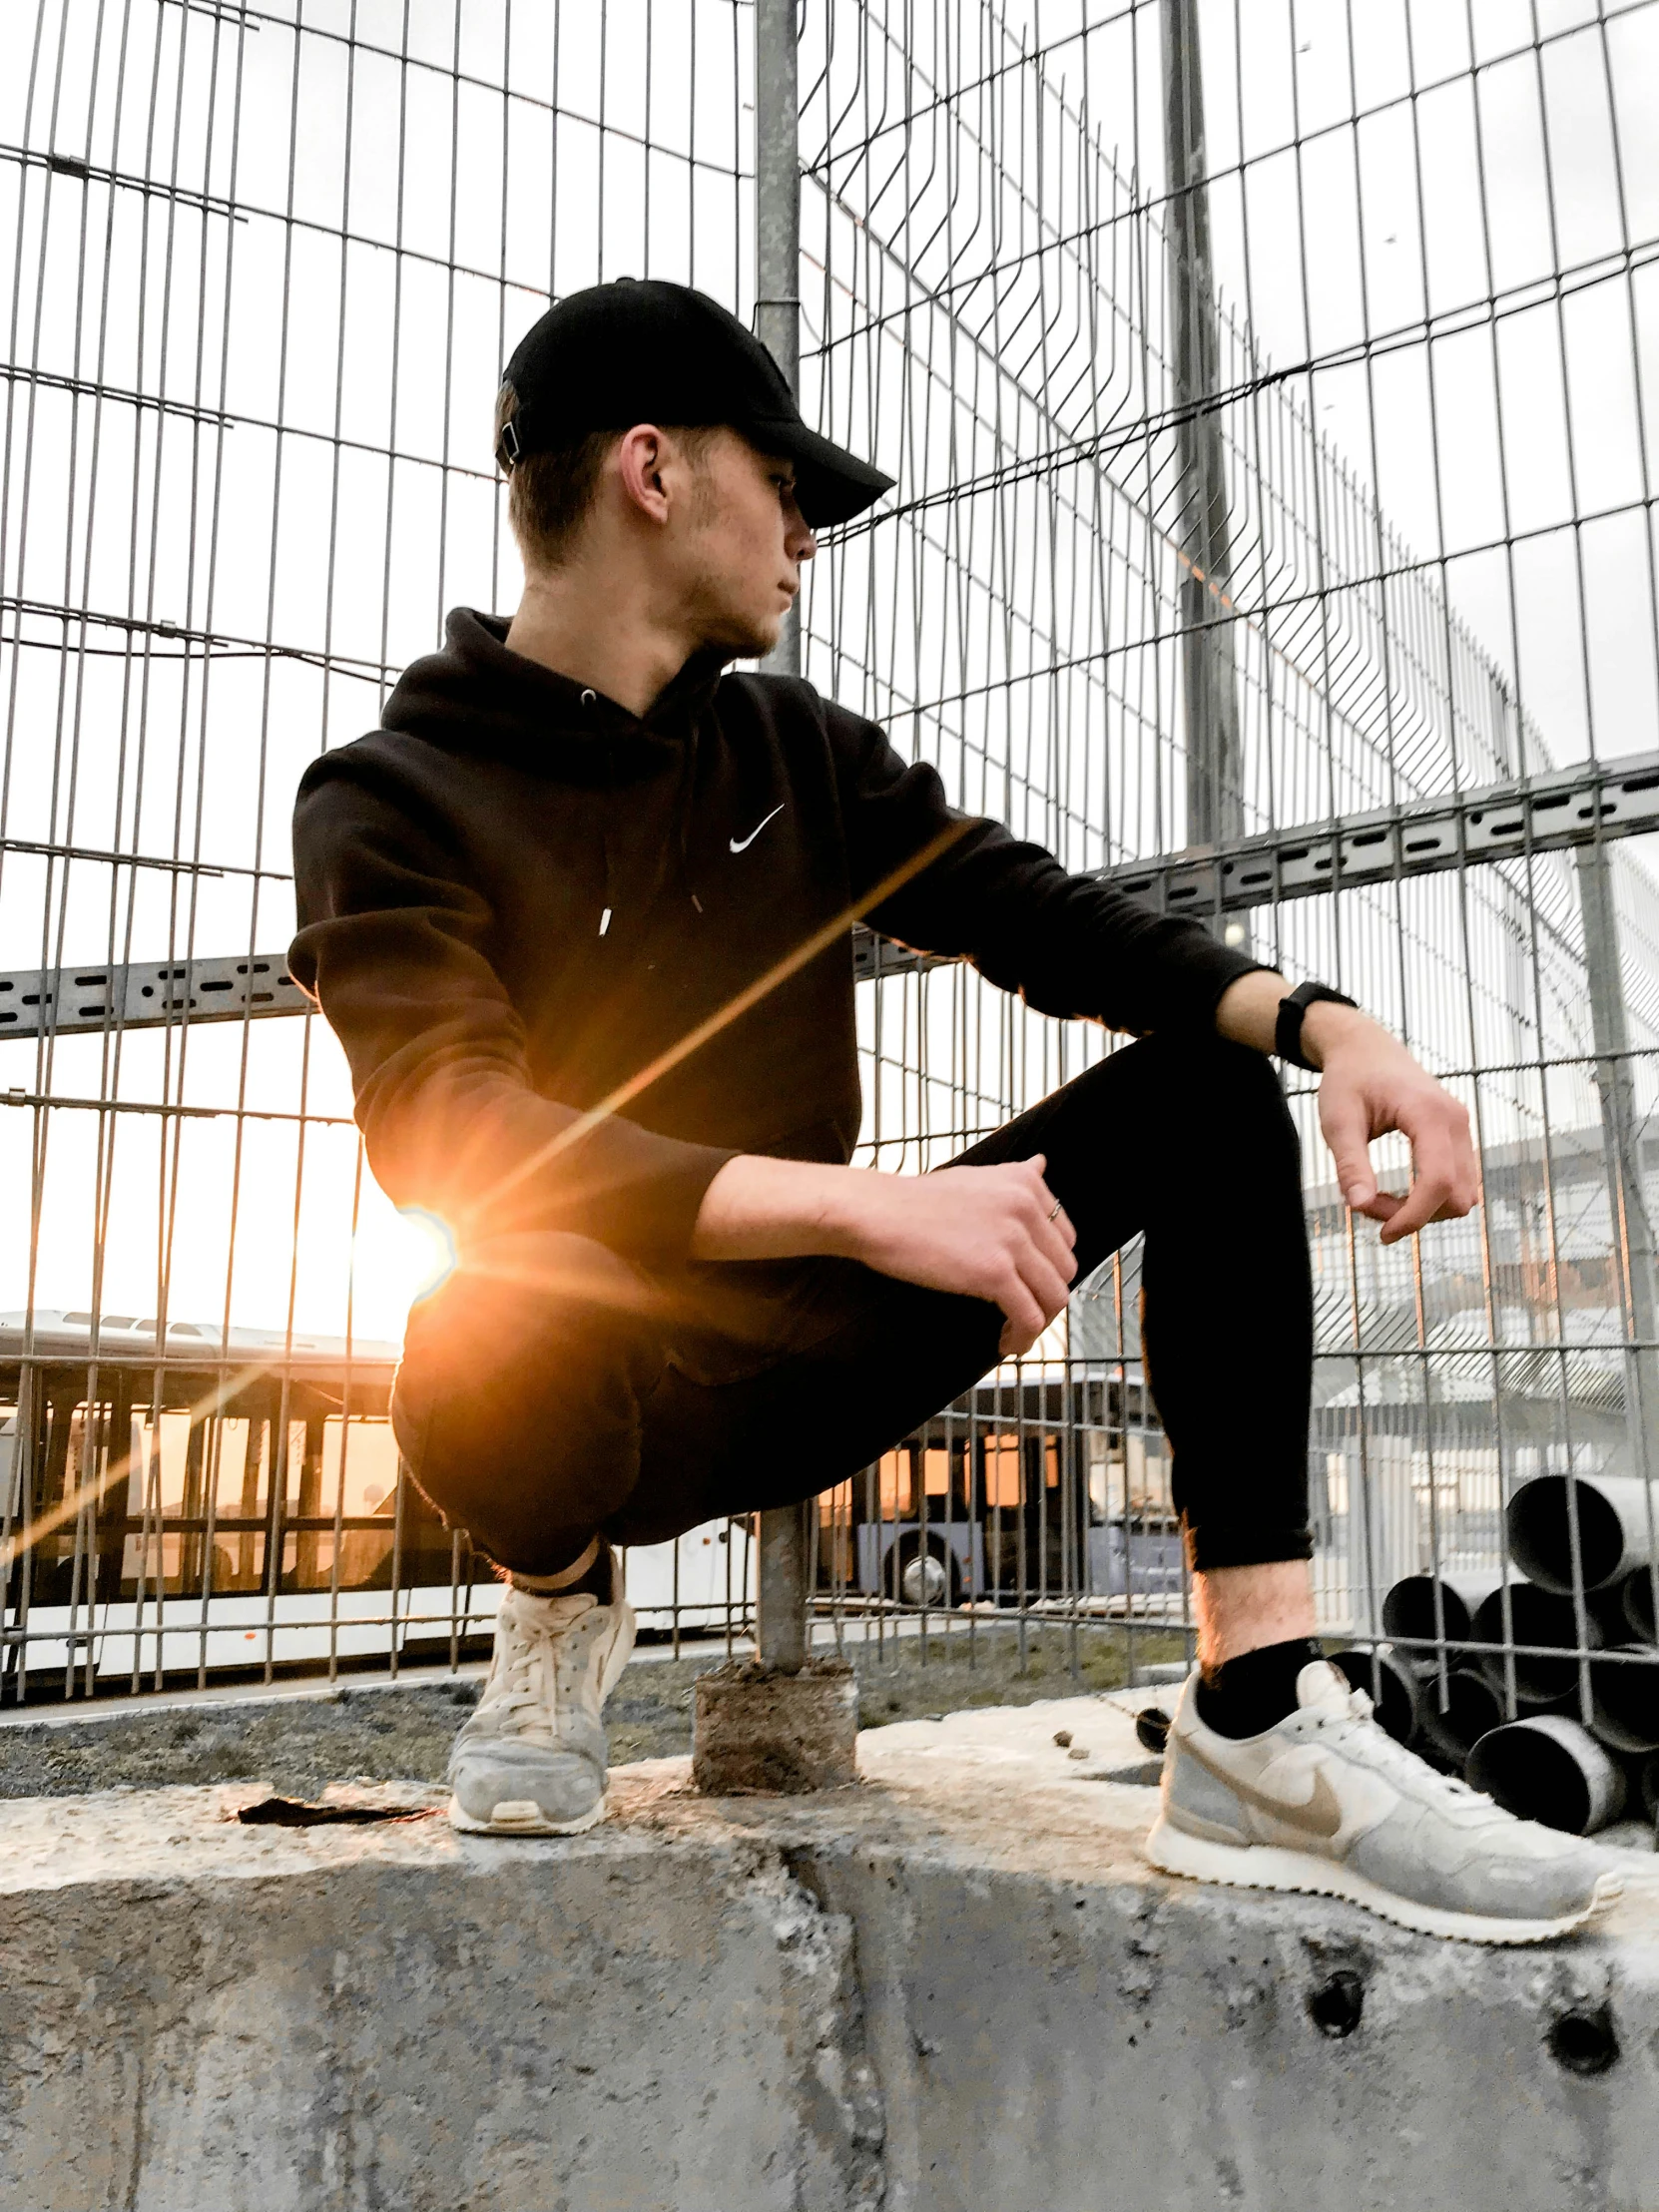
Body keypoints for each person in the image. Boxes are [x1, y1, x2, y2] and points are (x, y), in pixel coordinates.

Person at [289, 277, 1620, 1943]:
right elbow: (445, 1131)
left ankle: (1258, 1718)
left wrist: (1326, 1025)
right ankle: (558, 1610)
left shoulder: (786, 748)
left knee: (1210, 1097)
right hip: (578, 1396)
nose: (805, 535)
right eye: (784, 486)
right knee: (478, 1294)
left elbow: (1038, 914)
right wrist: (864, 1202)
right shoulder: (391, 796)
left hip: (806, 1349)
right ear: (653, 469)